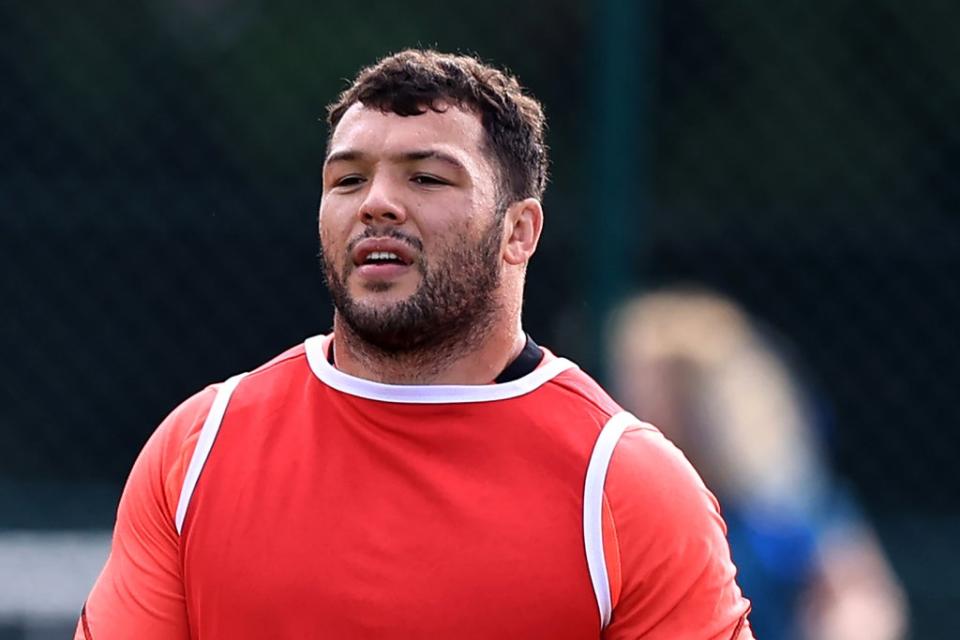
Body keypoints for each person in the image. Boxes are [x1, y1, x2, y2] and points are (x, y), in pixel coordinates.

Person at [76, 50, 753, 639]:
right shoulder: (197, 450)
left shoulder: (626, 486)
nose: (376, 202)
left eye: (425, 177)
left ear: (520, 231)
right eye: (347, 179)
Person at [608, 288, 908, 640]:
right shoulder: (613, 501)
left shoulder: (779, 504)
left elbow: (861, 599)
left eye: (652, 387)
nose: (625, 400)